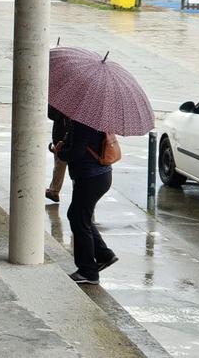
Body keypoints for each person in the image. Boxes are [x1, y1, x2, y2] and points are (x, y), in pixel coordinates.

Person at [56, 119, 118, 285]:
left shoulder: (83, 122)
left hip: (90, 176)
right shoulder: (100, 120)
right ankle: (104, 254)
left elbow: (77, 152)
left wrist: (60, 151)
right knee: (79, 216)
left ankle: (88, 271)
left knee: (78, 218)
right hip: (101, 175)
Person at [45, 105, 70, 203]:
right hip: (68, 136)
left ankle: (54, 191)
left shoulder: (64, 98)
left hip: (62, 137)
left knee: (60, 164)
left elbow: (53, 115)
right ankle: (54, 190)